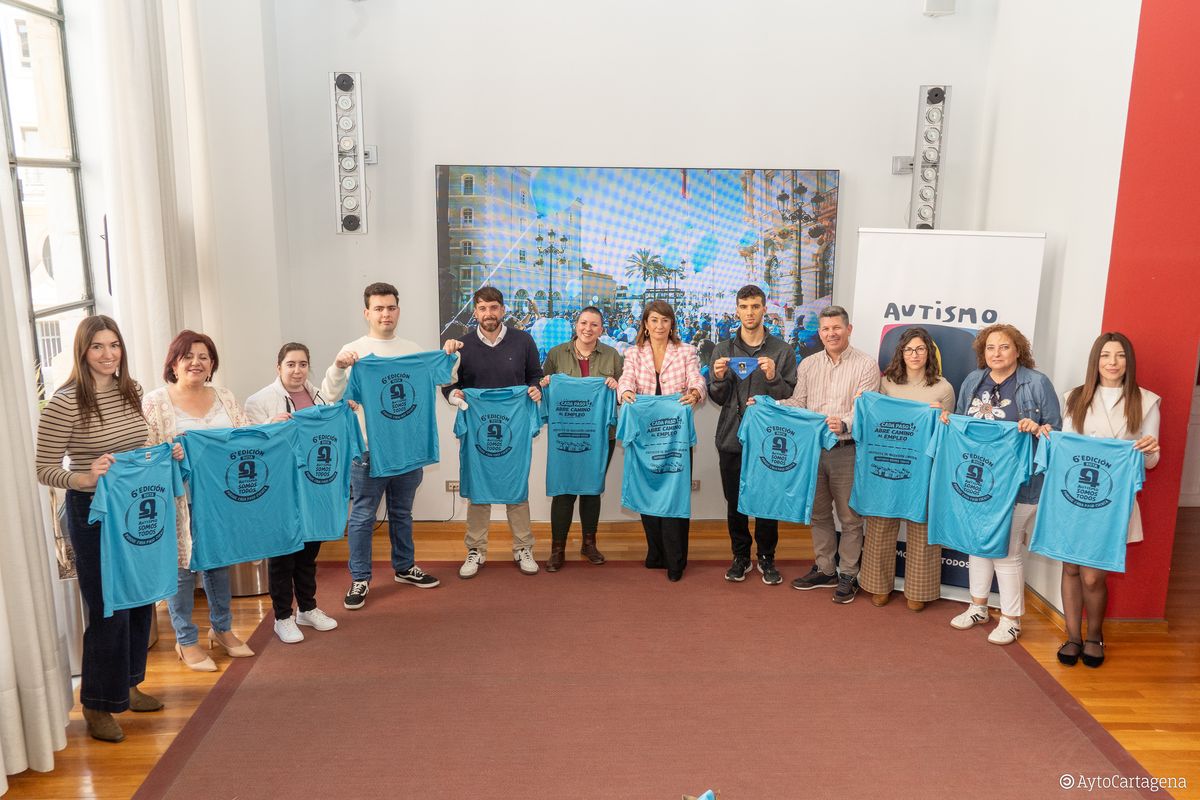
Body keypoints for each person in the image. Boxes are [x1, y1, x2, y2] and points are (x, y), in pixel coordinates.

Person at [35, 316, 174, 742]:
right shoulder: (64, 402)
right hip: (93, 511)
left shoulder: (130, 389)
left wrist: (163, 453)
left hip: (133, 503)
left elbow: (135, 445)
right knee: (109, 607)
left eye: (114, 345)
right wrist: (84, 477)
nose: (108, 354)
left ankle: (128, 685)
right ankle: (97, 704)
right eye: (98, 346)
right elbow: (44, 468)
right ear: (82, 351)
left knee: (140, 597)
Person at [322, 282, 450, 611]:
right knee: (362, 516)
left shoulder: (412, 350)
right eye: (378, 308)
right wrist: (339, 366)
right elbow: (331, 395)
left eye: (391, 307)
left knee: (402, 513)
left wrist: (451, 354)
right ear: (367, 313)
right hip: (369, 450)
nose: (385, 314)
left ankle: (405, 567)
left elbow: (445, 376)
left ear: (398, 311)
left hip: (408, 448)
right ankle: (360, 578)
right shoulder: (354, 352)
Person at [144, 330, 253, 671]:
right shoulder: (156, 401)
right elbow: (145, 451)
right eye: (188, 356)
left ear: (212, 364)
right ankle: (186, 639)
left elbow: (244, 436)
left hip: (220, 498)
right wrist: (168, 451)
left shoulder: (224, 396)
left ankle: (222, 628)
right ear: (173, 363)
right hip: (178, 499)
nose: (196, 362)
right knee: (181, 568)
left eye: (204, 357)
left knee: (218, 563)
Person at [946, 323, 1060, 645]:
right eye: (990, 348)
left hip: (1020, 482)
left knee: (1006, 549)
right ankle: (978, 606)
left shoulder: (1036, 383)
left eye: (1004, 347)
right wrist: (946, 420)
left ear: (1018, 350)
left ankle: (1011, 619)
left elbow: (1055, 432)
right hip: (979, 480)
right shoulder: (973, 380)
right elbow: (962, 424)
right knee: (977, 543)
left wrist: (1037, 428)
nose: (996, 353)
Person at [1055, 332, 1159, 667]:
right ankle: (1073, 637)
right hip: (1075, 498)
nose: (1112, 362)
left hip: (1113, 504)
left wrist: (1150, 450)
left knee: (1093, 576)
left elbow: (1150, 462)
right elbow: (1065, 451)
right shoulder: (1074, 397)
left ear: (1129, 361)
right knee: (1071, 568)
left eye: (1120, 355)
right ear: (1095, 361)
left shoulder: (1146, 401)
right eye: (1105, 355)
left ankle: (1095, 636)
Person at [442, 287, 544, 578]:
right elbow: (449, 384)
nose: (489, 313)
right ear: (475, 312)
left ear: (503, 309)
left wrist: (535, 389)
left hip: (514, 426)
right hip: (478, 428)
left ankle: (523, 547)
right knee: (478, 489)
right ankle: (476, 549)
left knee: (516, 487)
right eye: (483, 308)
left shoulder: (523, 340)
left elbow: (534, 376)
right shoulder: (462, 345)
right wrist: (455, 396)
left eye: (494, 307)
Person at [782, 305, 880, 604]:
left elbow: (866, 409)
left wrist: (845, 423)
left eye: (836, 327)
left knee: (850, 518)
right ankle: (825, 569)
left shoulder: (866, 365)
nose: (831, 333)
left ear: (848, 329)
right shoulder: (808, 365)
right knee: (819, 513)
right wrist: (770, 405)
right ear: (820, 332)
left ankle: (848, 573)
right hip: (813, 452)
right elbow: (799, 402)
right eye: (825, 328)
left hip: (846, 450)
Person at [244, 343, 340, 643]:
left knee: (309, 552)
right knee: (283, 554)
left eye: (302, 364)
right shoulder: (258, 401)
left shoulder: (318, 396)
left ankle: (307, 609)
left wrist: (343, 412)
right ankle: (283, 616)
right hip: (279, 489)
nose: (297, 370)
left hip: (312, 486)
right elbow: (249, 444)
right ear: (279, 367)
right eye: (291, 364)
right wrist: (269, 426)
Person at [858, 327, 955, 611]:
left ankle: (918, 590)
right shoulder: (886, 383)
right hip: (887, 461)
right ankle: (878, 585)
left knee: (921, 526)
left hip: (924, 466)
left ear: (929, 353)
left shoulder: (943, 388)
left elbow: (947, 430)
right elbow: (874, 418)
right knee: (881, 523)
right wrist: (862, 402)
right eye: (909, 349)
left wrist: (942, 415)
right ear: (901, 353)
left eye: (920, 349)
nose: (914, 355)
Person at [708, 284, 798, 585]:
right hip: (731, 437)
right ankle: (740, 556)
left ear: (764, 309)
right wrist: (718, 379)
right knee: (734, 502)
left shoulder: (782, 351)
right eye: (744, 307)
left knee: (767, 501)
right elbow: (718, 397)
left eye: (755, 306)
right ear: (737, 310)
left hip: (768, 440)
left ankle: (767, 557)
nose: (750, 313)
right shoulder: (722, 350)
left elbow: (789, 396)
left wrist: (772, 377)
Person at [617, 300, 706, 581]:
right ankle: (656, 553)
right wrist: (625, 391)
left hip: (675, 436)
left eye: (665, 320)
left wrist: (695, 391)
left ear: (672, 325)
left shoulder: (686, 351)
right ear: (645, 324)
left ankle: (675, 559)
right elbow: (626, 379)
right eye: (654, 320)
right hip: (645, 436)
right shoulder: (633, 353)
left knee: (675, 495)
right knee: (648, 490)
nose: (659, 325)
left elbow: (697, 379)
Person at [539, 306, 624, 571]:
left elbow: (625, 391)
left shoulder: (612, 355)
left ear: (602, 329)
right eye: (584, 323)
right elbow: (542, 386)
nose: (588, 329)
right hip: (565, 433)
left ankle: (589, 544)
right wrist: (545, 383)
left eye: (594, 324)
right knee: (563, 490)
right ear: (576, 325)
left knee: (591, 488)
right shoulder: (556, 354)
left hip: (601, 435)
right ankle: (557, 549)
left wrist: (616, 386)